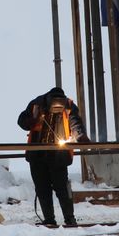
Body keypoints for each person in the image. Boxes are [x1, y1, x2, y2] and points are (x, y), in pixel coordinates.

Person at [17, 87, 89, 227]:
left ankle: (70, 219)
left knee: (62, 188)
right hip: (37, 155)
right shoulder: (36, 104)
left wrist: (80, 136)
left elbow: (75, 122)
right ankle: (49, 220)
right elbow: (21, 120)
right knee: (42, 188)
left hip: (58, 155)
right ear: (48, 101)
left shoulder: (68, 105)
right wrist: (31, 121)